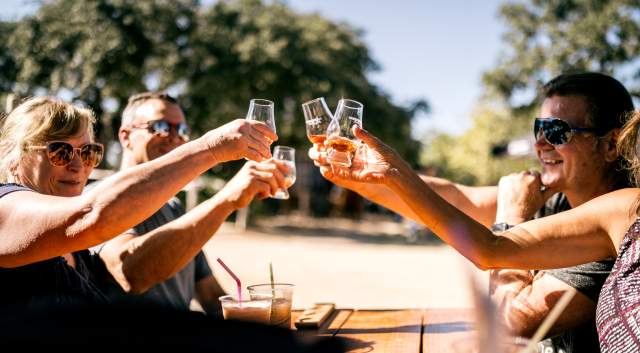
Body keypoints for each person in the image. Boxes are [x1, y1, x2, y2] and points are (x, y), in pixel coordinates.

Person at [309, 72, 634, 353]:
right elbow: (457, 199)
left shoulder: (619, 233)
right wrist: (365, 177)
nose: (541, 144)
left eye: (557, 131)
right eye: (539, 128)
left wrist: (511, 215)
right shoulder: (558, 198)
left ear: (610, 145)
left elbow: (510, 321)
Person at [0, 96, 276, 308]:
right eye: (60, 151)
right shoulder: (4, 207)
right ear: (13, 157)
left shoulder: (78, 253)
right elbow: (92, 216)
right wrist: (211, 149)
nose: (77, 165)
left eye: (87, 153)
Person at [92, 92, 289, 314]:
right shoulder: (99, 198)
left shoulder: (173, 207)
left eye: (183, 130)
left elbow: (211, 296)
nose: (175, 137)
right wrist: (227, 199)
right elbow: (130, 274)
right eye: (161, 126)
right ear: (126, 136)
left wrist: (265, 320)